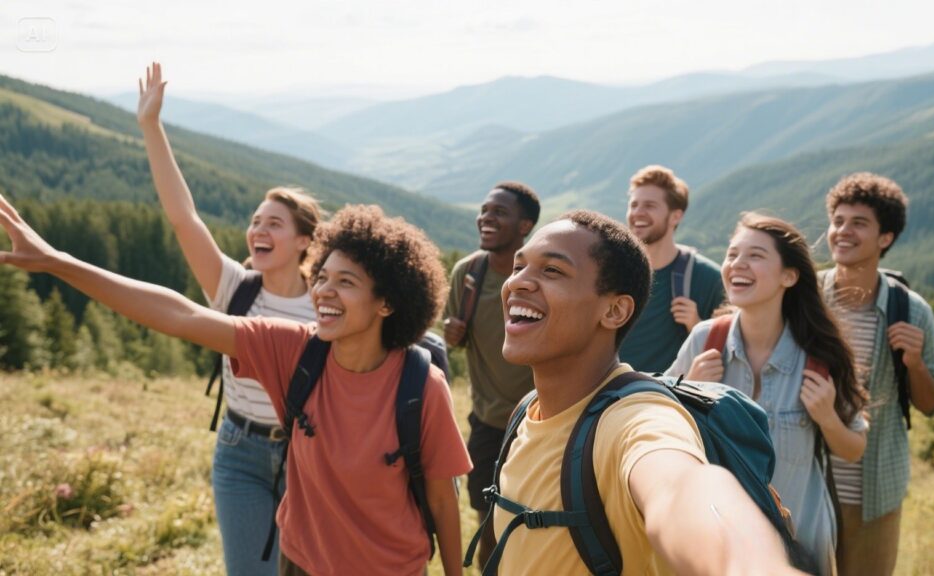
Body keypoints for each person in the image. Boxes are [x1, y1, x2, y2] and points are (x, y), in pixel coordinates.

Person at [0, 197, 472, 576]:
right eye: (322, 277)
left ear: (387, 302)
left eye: (346, 282)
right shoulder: (292, 349)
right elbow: (179, 315)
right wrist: (57, 262)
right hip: (301, 562)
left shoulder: (420, 385)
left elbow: (440, 500)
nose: (324, 292)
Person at [491, 209, 802, 574]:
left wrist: (748, 563)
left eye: (552, 271)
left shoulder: (635, 419)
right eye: (518, 267)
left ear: (615, 311)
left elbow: (677, 486)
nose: (518, 283)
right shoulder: (527, 412)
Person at [137, 62, 321, 575]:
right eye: (255, 221)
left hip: (307, 456)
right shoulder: (232, 288)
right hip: (238, 452)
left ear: (304, 240)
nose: (257, 230)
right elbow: (183, 217)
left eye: (274, 224)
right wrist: (151, 127)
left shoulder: (324, 306)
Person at [667, 213, 869, 576]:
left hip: (800, 549)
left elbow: (854, 448)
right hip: (716, 549)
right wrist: (686, 391)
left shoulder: (820, 357)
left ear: (789, 276)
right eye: (732, 255)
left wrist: (827, 418)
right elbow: (660, 430)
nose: (736, 265)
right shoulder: (703, 341)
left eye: (755, 255)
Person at [820, 173, 934, 576]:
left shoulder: (911, 311)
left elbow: (933, 404)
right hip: (805, 486)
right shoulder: (804, 300)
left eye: (859, 223)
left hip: (873, 495)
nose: (843, 231)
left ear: (885, 239)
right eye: (838, 220)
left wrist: (915, 364)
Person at [442, 181, 539, 568]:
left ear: (525, 225)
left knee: (537, 522)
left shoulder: (539, 278)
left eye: (499, 212)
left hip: (540, 422)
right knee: (488, 524)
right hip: (487, 424)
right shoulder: (468, 275)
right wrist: (453, 334)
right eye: (484, 210)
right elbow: (460, 336)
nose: (486, 218)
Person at [619, 165, 724, 372]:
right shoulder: (612, 273)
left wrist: (697, 326)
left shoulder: (708, 279)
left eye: (649, 205)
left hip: (670, 401)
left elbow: (732, 352)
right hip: (610, 398)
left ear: (675, 216)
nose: (638, 213)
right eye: (634, 205)